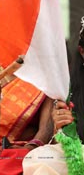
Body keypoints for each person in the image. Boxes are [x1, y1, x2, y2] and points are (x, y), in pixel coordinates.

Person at [22, 17, 84, 175]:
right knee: (39, 158)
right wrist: (61, 128)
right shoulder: (69, 88)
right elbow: (65, 142)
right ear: (82, 52)